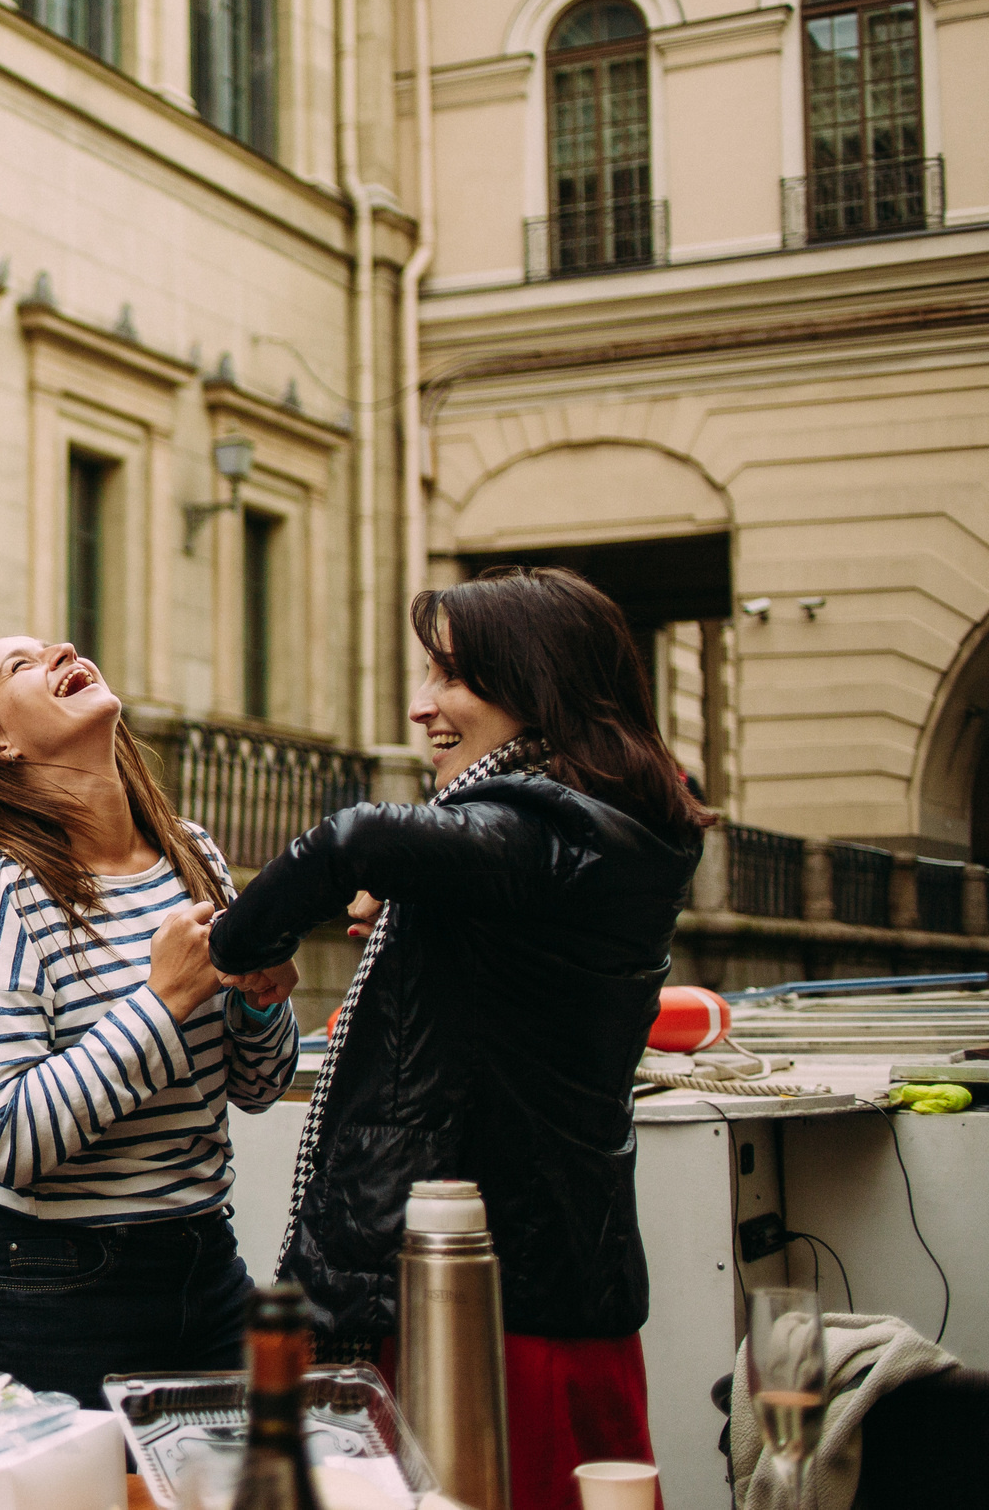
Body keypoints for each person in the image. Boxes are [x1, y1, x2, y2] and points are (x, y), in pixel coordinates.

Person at [207, 566, 711, 1510]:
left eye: (450, 677)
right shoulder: (608, 828)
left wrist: (244, 945)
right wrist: (422, 908)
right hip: (551, 1279)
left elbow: (353, 837)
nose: (419, 706)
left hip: (493, 1307)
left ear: (537, 686)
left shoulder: (547, 832)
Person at [0, 636, 300, 1409]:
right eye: (20, 665)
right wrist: (160, 1005)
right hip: (52, 1291)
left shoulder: (193, 855)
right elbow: (7, 1138)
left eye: (52, 644)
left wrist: (262, 1002)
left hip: (207, 1265)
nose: (59, 647)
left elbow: (257, 1088)